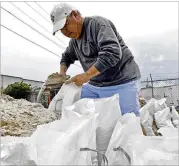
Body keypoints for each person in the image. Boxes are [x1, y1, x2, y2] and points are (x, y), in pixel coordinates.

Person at [50, 3, 141, 116]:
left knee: (129, 121)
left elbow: (111, 53)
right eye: (61, 30)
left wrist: (86, 76)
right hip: (96, 85)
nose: (65, 32)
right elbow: (66, 57)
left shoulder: (98, 24)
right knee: (81, 112)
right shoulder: (74, 41)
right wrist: (62, 74)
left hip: (121, 81)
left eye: (65, 25)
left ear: (75, 15)